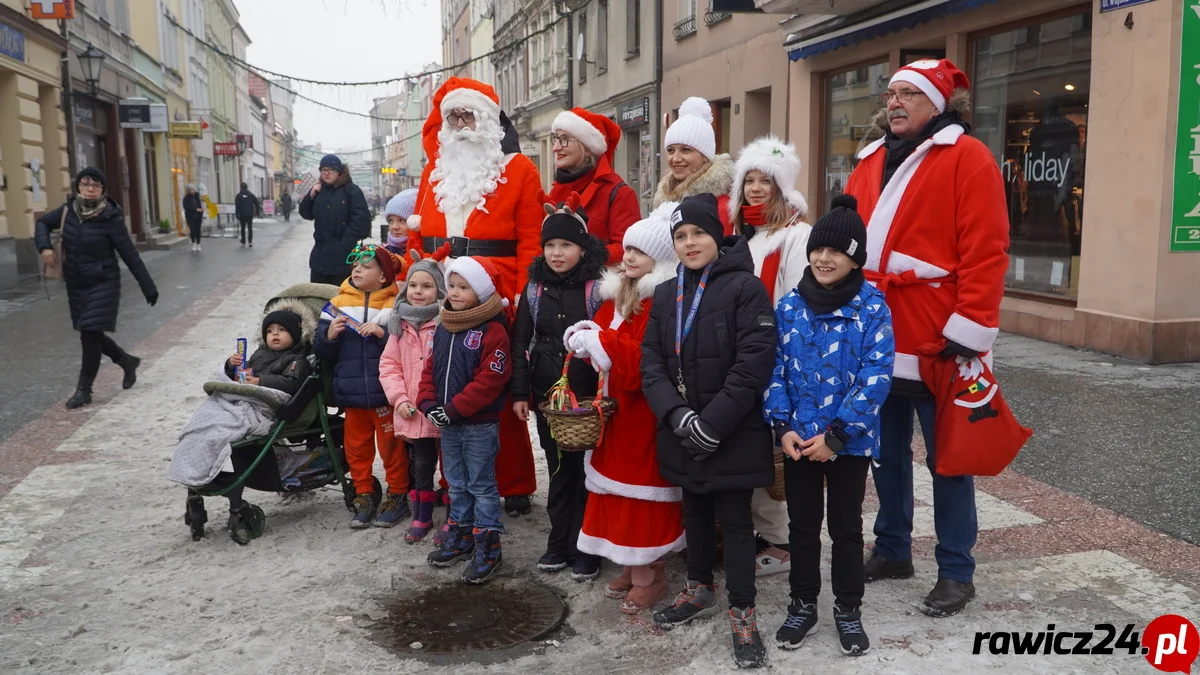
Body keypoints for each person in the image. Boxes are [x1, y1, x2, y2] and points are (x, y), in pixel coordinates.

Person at [844, 58, 1009, 617]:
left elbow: (986, 251)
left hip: (940, 337)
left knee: (949, 461)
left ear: (937, 104)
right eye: (891, 93)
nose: (894, 102)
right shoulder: (867, 163)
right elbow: (846, 245)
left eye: (908, 94)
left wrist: (969, 328)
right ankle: (892, 549)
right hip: (878, 333)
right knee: (884, 456)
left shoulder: (968, 158)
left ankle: (957, 571)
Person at [641, 193, 776, 668]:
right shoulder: (664, 293)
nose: (690, 242)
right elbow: (651, 365)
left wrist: (713, 422)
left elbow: (754, 364)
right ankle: (699, 589)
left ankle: (743, 612)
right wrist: (677, 416)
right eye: (681, 236)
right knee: (693, 511)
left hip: (731, 429)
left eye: (699, 232)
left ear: (718, 235)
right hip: (682, 426)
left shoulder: (745, 288)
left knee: (736, 523)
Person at [764, 195, 895, 656]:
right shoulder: (790, 308)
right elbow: (773, 370)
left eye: (836, 252)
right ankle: (802, 604)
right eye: (818, 249)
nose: (823, 258)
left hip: (847, 445)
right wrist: (782, 426)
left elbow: (875, 378)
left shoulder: (872, 308)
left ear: (854, 257)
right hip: (799, 441)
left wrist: (837, 436)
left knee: (845, 528)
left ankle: (848, 608)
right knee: (802, 526)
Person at [406, 77, 542, 518]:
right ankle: (457, 483)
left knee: (496, 390)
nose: (462, 125)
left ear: (486, 120)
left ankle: (516, 482)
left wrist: (523, 295)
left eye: (469, 116)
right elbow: (422, 239)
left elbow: (531, 241)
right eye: (454, 117)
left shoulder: (519, 169)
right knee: (450, 386)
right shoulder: (434, 172)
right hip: (446, 293)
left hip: (498, 291)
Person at [566, 201, 684, 613]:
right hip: (615, 410)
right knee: (612, 488)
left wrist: (599, 341)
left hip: (643, 413)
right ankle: (630, 563)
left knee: (642, 492)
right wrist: (584, 339)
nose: (628, 256)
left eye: (639, 252)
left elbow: (643, 360)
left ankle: (650, 571)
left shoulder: (660, 301)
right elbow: (603, 338)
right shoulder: (617, 294)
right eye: (628, 249)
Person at [510, 194, 609, 581]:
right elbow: (520, 343)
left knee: (591, 473)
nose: (556, 253)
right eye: (550, 245)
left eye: (565, 244)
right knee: (558, 470)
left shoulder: (599, 288)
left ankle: (587, 546)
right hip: (549, 397)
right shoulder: (534, 290)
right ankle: (559, 542)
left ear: (582, 248)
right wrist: (522, 394)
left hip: (591, 398)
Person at [728, 135, 813, 577]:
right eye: (749, 180)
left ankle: (780, 543)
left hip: (776, 360)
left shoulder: (797, 236)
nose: (756, 189)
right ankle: (759, 534)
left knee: (775, 457)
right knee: (752, 452)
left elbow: (800, 302)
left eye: (765, 181)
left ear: (782, 187)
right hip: (744, 360)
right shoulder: (745, 237)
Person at [170, 304, 315, 544]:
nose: (275, 334)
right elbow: (239, 376)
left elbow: (289, 384)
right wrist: (231, 366)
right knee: (200, 428)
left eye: (281, 330)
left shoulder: (297, 360)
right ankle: (194, 480)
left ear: (297, 335)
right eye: (270, 330)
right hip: (238, 399)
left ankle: (231, 500)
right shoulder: (258, 355)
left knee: (224, 435)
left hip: (262, 404)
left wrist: (258, 381)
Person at [418, 256, 513, 585]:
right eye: (453, 286)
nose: (455, 293)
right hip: (448, 422)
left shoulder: (493, 329)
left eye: (464, 287)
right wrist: (427, 401)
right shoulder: (445, 324)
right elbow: (431, 368)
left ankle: (489, 543)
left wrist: (455, 408)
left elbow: (491, 379)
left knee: (481, 485)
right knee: (455, 483)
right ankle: (461, 533)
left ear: (483, 292)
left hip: (478, 424)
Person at [35, 167, 158, 410]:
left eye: (96, 185)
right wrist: (44, 247)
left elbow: (129, 253)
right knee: (89, 332)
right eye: (85, 184)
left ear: (102, 190)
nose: (90, 189)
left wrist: (148, 286)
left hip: (104, 282)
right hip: (76, 283)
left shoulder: (110, 218)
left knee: (90, 334)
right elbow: (42, 223)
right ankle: (126, 361)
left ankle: (84, 389)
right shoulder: (67, 211)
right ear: (78, 187)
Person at [313, 240, 409, 529]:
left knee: (392, 448)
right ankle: (363, 495)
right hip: (351, 395)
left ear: (383, 276)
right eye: (355, 265)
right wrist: (328, 335)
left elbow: (406, 347)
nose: (357, 270)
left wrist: (382, 334)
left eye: (365, 267)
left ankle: (397, 495)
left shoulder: (396, 306)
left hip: (384, 395)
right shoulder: (337, 304)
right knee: (356, 448)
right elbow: (322, 351)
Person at [380, 257, 446, 543]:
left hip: (443, 408)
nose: (418, 291)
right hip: (412, 410)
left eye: (427, 286)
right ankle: (422, 514)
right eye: (413, 285)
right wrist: (399, 399)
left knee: (452, 465)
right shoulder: (400, 325)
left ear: (439, 291)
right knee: (421, 464)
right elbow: (389, 366)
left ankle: (455, 515)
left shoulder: (445, 323)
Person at [549, 107, 642, 264]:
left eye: (564, 139)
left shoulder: (619, 193)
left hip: (597, 286)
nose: (556, 147)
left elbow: (628, 249)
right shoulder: (558, 189)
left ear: (587, 148)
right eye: (556, 138)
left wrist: (582, 254)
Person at [652, 97, 735, 235]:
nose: (676, 159)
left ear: (705, 156)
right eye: (671, 150)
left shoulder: (721, 206)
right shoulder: (664, 196)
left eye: (686, 150)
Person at [300, 154, 372, 285]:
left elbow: (361, 224)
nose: (326, 173)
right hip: (320, 259)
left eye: (330, 170)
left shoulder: (351, 191)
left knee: (343, 301)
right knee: (320, 300)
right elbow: (306, 214)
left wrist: (343, 245)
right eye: (323, 170)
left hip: (345, 259)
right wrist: (311, 194)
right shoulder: (319, 191)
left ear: (339, 172)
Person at [383, 188, 419, 257]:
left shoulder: (427, 253)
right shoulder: (382, 255)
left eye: (402, 220)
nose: (395, 227)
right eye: (391, 220)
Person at [235, 182, 259, 248]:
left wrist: (237, 214)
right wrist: (257, 212)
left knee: (243, 228)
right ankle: (250, 241)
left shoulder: (238, 196)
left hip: (242, 214)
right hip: (249, 214)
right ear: (247, 187)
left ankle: (243, 240)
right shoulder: (251, 195)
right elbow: (257, 203)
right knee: (250, 228)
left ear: (241, 187)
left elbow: (237, 206)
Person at [183, 184, 204, 252]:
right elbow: (186, 207)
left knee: (198, 230)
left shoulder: (197, 197)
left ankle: (198, 244)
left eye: (193, 190)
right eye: (191, 190)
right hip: (190, 216)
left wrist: (201, 210)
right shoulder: (186, 198)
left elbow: (200, 205)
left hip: (198, 216)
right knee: (192, 229)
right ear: (188, 191)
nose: (192, 191)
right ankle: (193, 244)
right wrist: (196, 209)